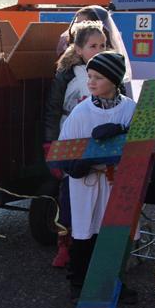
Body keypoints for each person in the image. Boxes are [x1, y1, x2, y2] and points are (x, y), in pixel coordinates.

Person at [58, 52, 138, 304]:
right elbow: (64, 148)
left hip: (116, 181)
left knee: (114, 234)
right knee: (85, 233)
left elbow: (140, 144)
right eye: (90, 76)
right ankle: (79, 284)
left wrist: (121, 134)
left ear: (114, 81)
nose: (91, 82)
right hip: (87, 183)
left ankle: (113, 283)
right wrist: (83, 162)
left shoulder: (130, 109)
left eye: (98, 78)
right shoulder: (81, 112)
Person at [44, 21, 109, 268]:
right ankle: (65, 245)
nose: (99, 50)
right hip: (70, 136)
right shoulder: (66, 74)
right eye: (93, 46)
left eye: (102, 45)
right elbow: (52, 110)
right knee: (69, 192)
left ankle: (94, 245)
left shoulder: (111, 70)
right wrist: (51, 145)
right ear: (79, 49)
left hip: (101, 139)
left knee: (98, 189)